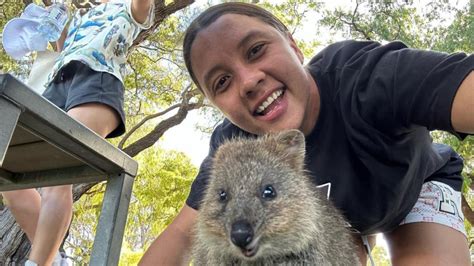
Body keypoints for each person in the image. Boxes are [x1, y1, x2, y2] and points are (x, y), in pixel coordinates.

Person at [139, 2, 473, 265]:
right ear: (216, 105)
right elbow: (184, 233)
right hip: (341, 218)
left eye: (255, 50)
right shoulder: (235, 148)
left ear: (294, 46)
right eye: (222, 82)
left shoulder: (364, 78)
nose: (249, 81)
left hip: (414, 188)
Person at [1, 0, 154, 265]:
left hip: (97, 78)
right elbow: (63, 51)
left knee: (57, 178)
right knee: (10, 177)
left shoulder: (128, 8)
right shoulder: (79, 15)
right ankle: (55, 258)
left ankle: (38, 262)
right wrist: (52, 26)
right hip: (59, 83)